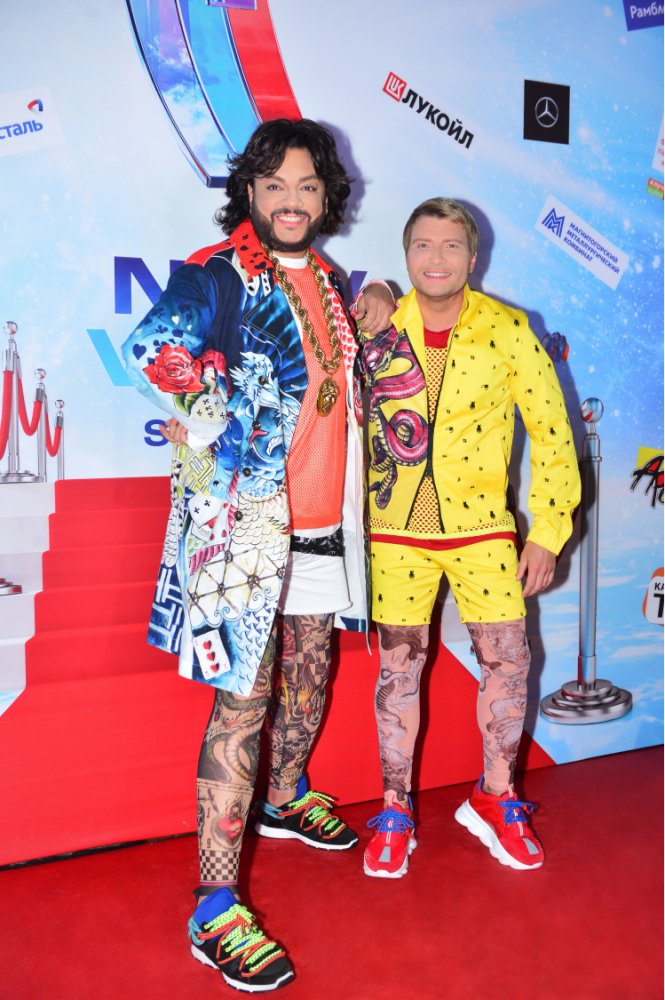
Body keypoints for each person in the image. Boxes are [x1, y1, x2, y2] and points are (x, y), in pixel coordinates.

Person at [122, 118, 392, 992]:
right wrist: (215, 413)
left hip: (322, 523)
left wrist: (382, 296)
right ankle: (213, 906)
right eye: (274, 185)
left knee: (309, 675)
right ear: (248, 192)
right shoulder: (216, 273)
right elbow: (149, 350)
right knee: (244, 701)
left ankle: (284, 797)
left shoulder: (333, 280)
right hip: (245, 526)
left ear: (327, 197)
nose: (290, 201)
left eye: (307, 186)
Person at [357, 197, 581, 880]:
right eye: (423, 245)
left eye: (451, 246)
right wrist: (373, 290)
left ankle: (494, 796)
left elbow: (553, 434)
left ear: (473, 257)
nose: (436, 259)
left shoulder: (509, 329)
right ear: (405, 255)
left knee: (508, 665)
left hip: (483, 530)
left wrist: (547, 533)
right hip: (395, 531)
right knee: (398, 673)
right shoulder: (372, 326)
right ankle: (394, 810)